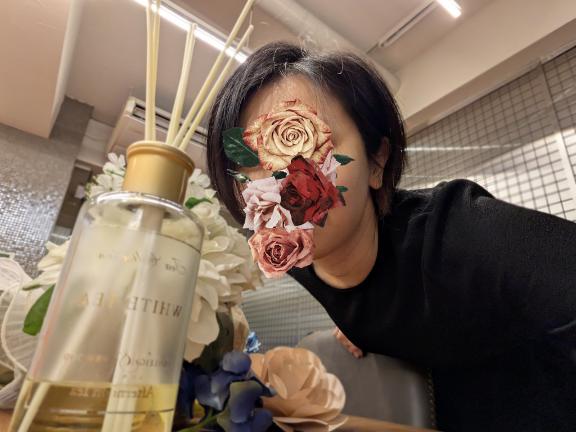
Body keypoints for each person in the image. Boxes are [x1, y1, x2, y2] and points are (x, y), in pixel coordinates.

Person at [205, 42, 576, 431]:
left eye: (304, 144)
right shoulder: (295, 253)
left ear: (377, 161)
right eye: (248, 161)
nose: (274, 184)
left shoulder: (461, 234)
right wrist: (362, 322)